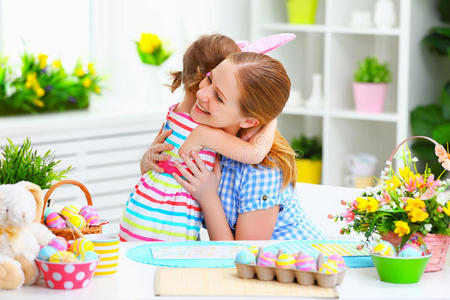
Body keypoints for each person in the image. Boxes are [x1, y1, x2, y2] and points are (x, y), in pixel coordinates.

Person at [118, 34, 277, 242]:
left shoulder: (173, 113)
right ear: (205, 76)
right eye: (211, 80)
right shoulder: (203, 130)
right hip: (167, 224)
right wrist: (271, 118)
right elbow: (255, 153)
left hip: (137, 211)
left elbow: (157, 167)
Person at [168, 52, 324, 240]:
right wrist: (149, 164)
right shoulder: (205, 137)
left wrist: (208, 197)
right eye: (210, 79)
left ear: (249, 121)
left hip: (297, 262)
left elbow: (241, 255)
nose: (200, 93)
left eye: (218, 97)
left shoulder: (261, 171)